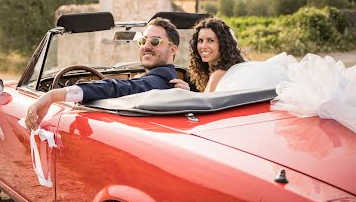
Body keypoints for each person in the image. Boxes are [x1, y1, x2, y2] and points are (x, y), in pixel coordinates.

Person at [25, 17, 179, 131]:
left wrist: (53, 95)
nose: (146, 46)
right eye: (142, 41)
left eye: (155, 42)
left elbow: (120, 88)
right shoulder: (167, 79)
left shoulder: (161, 81)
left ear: (173, 50)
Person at [171, 17, 245, 93]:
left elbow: (206, 104)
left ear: (223, 44)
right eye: (200, 41)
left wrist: (186, 93)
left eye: (210, 41)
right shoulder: (215, 71)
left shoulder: (218, 74)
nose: (203, 46)